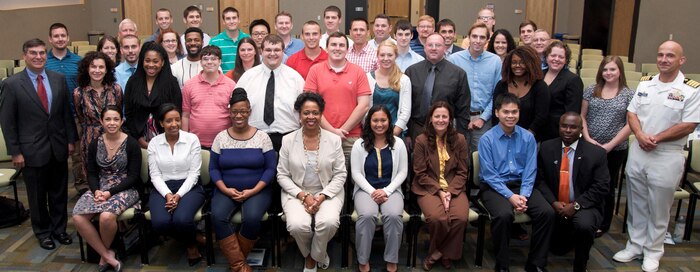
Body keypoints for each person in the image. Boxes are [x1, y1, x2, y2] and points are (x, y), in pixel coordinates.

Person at [613, 41, 700, 272]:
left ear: (681, 60)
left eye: (670, 55)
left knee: (659, 207)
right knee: (636, 201)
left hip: (667, 154)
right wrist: (640, 134)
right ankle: (635, 245)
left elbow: (689, 125)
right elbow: (632, 112)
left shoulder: (691, 89)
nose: (664, 59)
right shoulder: (646, 84)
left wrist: (656, 138)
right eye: (660, 54)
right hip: (640, 149)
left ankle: (653, 251)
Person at [0, 38, 78, 250]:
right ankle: (43, 232)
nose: (38, 57)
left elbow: (65, 114)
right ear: (25, 56)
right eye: (33, 53)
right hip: (30, 150)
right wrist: (15, 152)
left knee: (59, 193)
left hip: (58, 147)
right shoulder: (12, 84)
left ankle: (59, 229)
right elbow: (8, 123)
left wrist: (71, 140)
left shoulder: (58, 79)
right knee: (36, 195)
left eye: (42, 53)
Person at [478, 93, 554, 272]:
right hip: (494, 188)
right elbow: (489, 175)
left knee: (547, 213)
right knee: (504, 215)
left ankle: (535, 263)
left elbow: (530, 170)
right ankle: (502, 264)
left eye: (514, 112)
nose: (510, 116)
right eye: (506, 112)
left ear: (519, 113)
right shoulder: (487, 139)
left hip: (522, 186)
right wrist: (511, 196)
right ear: (497, 113)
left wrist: (524, 196)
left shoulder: (528, 138)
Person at [277, 92, 347, 271]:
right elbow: (282, 175)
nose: (311, 117)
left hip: (328, 191)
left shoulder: (334, 140)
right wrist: (303, 195)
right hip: (296, 192)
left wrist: (322, 197)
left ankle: (314, 256)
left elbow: (340, 174)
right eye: (306, 113)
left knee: (329, 222)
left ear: (321, 114)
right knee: (297, 225)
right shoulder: (287, 140)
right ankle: (314, 255)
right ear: (299, 115)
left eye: (315, 113)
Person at [210, 88, 277, 272]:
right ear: (229, 112)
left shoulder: (263, 137)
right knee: (217, 217)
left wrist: (253, 190)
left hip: (258, 190)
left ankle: (236, 263)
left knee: (253, 218)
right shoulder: (221, 138)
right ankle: (239, 265)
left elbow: (270, 169)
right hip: (226, 189)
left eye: (243, 111)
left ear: (249, 112)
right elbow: (213, 169)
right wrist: (225, 189)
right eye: (235, 111)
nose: (239, 115)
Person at [537, 112, 610, 272]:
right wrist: (553, 202)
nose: (568, 130)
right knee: (558, 249)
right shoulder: (547, 147)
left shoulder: (596, 153)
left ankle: (580, 264)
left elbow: (602, 186)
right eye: (564, 126)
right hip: (557, 204)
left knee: (584, 225)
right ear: (559, 127)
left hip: (584, 205)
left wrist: (576, 206)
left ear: (581, 129)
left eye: (573, 127)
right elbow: (540, 181)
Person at [71, 105, 141, 272]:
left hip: (125, 188)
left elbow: (133, 177)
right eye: (108, 119)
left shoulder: (131, 143)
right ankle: (107, 254)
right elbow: (92, 173)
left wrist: (110, 193)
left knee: (106, 217)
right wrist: (96, 191)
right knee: (78, 217)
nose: (112, 123)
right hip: (100, 188)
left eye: (116, 119)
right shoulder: (95, 143)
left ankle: (104, 257)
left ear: (122, 121)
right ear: (101, 121)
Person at [412, 101, 470, 270]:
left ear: (450, 119)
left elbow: (462, 172)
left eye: (445, 116)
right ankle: (447, 253)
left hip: (455, 188)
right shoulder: (421, 140)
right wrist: (439, 192)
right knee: (438, 218)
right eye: (437, 116)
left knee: (460, 218)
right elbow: (420, 173)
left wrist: (450, 192)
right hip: (427, 188)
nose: (441, 120)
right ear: (430, 118)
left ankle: (438, 253)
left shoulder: (459, 139)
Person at [580, 56, 634, 235]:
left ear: (620, 71)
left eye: (612, 69)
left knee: (607, 185)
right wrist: (587, 138)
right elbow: (582, 116)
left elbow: (630, 124)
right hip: (589, 146)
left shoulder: (628, 94)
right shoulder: (591, 90)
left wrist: (610, 145)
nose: (608, 73)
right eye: (605, 69)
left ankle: (603, 223)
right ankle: (586, 216)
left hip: (615, 149)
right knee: (587, 182)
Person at [147, 103, 205, 267]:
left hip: (189, 187)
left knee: (182, 219)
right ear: (161, 123)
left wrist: (178, 195)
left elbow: (194, 173)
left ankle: (191, 246)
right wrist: (167, 195)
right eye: (169, 121)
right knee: (160, 223)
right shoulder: (154, 143)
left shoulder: (191, 139)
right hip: (162, 188)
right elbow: (155, 175)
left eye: (177, 120)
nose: (174, 124)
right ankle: (195, 237)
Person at [351, 105, 407, 272]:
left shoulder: (399, 144)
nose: (379, 124)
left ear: (389, 122)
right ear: (369, 122)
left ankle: (391, 259)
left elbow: (403, 172)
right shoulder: (359, 145)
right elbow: (356, 173)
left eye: (383, 120)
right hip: (365, 190)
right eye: (375, 120)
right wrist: (372, 191)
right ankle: (362, 259)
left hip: (391, 190)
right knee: (367, 215)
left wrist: (387, 191)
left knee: (393, 215)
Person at [304, 31, 371, 164]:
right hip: (320, 134)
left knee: (351, 179)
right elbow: (310, 106)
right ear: (327, 48)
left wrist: (342, 131)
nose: (337, 48)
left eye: (341, 45)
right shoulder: (315, 70)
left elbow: (363, 105)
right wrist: (332, 131)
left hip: (351, 137)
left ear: (347, 49)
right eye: (333, 44)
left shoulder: (358, 72)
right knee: (322, 177)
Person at [235, 34, 304, 151]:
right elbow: (235, 108)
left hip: (288, 138)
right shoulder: (247, 77)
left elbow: (304, 109)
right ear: (261, 51)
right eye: (268, 50)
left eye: (277, 50)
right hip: (254, 137)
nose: (272, 53)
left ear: (283, 52)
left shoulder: (295, 78)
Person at [73, 51, 123, 195]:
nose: (97, 70)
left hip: (114, 137)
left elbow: (118, 111)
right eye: (93, 67)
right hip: (90, 138)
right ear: (87, 69)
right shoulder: (79, 93)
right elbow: (80, 116)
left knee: (114, 173)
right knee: (93, 175)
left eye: (101, 67)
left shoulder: (116, 89)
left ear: (106, 69)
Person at [405, 33, 469, 143]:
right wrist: (407, 135)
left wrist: (460, 137)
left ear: (444, 48)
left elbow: (463, 110)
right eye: (430, 45)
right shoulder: (411, 71)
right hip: (416, 130)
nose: (434, 48)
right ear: (425, 48)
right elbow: (405, 106)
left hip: (446, 131)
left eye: (438, 45)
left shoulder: (458, 74)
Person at [448, 22, 502, 153]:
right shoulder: (454, 59)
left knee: (482, 158)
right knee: (457, 157)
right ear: (468, 37)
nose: (478, 41)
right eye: (474, 36)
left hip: (484, 119)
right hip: (458, 119)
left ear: (487, 40)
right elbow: (450, 93)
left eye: (482, 37)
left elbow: (497, 94)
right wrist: (460, 117)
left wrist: (483, 118)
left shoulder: (495, 61)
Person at [124, 41, 182, 149]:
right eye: (147, 61)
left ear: (163, 62)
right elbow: (129, 113)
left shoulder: (171, 83)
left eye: (155, 61)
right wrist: (138, 138)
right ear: (142, 61)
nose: (151, 65)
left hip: (166, 140)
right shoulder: (133, 82)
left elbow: (177, 111)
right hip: (138, 139)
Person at [182, 45, 236, 149]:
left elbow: (234, 115)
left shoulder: (231, 85)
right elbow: (185, 115)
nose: (209, 62)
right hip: (195, 144)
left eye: (214, 59)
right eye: (205, 59)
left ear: (220, 62)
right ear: (200, 62)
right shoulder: (189, 85)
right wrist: (185, 140)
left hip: (225, 143)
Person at [492, 46, 550, 142]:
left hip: (530, 139)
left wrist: (526, 137)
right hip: (503, 137)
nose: (517, 65)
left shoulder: (540, 86)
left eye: (522, 62)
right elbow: (495, 114)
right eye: (514, 62)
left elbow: (541, 116)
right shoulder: (502, 85)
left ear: (530, 64)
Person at [367, 40, 411, 137]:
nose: (386, 58)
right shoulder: (368, 78)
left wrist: (393, 134)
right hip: (371, 133)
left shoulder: (404, 80)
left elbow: (405, 111)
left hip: (395, 133)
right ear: (377, 56)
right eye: (382, 55)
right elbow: (365, 108)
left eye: (390, 55)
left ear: (396, 56)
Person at [543, 41, 583, 141]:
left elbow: (572, 112)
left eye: (561, 57)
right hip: (538, 130)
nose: (556, 59)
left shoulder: (573, 80)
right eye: (553, 55)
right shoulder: (539, 75)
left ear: (566, 60)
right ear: (547, 57)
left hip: (558, 133)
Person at [209, 7, 250, 73]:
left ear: (239, 20)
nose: (231, 21)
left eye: (234, 18)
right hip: (223, 81)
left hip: (245, 79)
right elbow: (211, 64)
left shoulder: (248, 39)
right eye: (228, 19)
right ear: (223, 22)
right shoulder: (214, 42)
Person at [46, 23, 81, 97]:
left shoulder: (79, 61)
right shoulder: (44, 62)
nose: (60, 39)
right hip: (52, 107)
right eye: (56, 36)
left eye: (63, 35)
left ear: (68, 38)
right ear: (50, 39)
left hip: (74, 107)